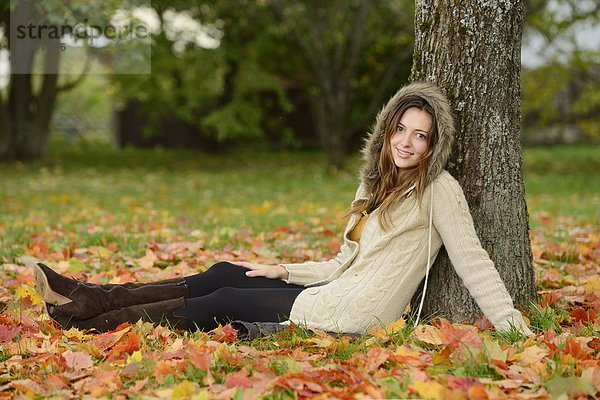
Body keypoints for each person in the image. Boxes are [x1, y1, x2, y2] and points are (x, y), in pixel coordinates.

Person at [34, 82, 533, 337]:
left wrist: (514, 327)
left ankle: (90, 322)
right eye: (401, 128)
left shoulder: (439, 190)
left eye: (420, 135)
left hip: (357, 311)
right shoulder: (375, 183)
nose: (406, 142)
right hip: (336, 286)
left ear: (433, 146)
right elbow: (343, 264)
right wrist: (285, 270)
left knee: (220, 299)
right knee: (229, 270)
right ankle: (90, 297)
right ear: (387, 129)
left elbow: (473, 261)